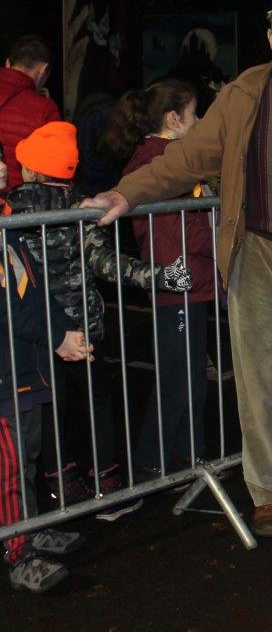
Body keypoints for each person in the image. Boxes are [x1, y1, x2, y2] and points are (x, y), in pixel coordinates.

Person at [82, 0, 272, 537]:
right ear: (271, 39)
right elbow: (186, 158)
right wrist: (125, 194)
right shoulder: (242, 95)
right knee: (260, 382)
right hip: (258, 251)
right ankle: (269, 493)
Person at [4, 122, 192, 508]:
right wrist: (160, 276)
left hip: (39, 333)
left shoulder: (11, 209)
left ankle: (60, 484)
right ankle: (106, 480)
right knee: (97, 402)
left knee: (51, 407)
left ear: (34, 169)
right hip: (84, 328)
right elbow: (107, 264)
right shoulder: (81, 208)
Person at [103, 80, 216, 473]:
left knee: (190, 374)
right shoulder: (161, 160)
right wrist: (175, 275)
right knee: (177, 377)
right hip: (178, 280)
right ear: (174, 118)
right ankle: (154, 460)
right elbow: (170, 231)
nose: (199, 121)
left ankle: (190, 453)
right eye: (194, 113)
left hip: (190, 277)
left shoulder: (169, 156)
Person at [2, 157, 93, 593]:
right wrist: (55, 336)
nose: (1, 169)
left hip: (24, 370)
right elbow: (9, 310)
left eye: (0, 159)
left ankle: (30, 529)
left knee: (28, 457)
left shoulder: (9, 227)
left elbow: (36, 292)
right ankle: (16, 554)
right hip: (6, 374)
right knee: (8, 470)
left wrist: (63, 330)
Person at [0, 35, 60, 195]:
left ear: (7, 63)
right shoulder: (45, 108)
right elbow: (53, 169)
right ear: (43, 69)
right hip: (19, 208)